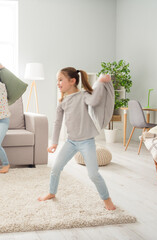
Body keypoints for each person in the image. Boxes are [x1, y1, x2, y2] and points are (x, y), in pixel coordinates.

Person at [38, 67, 116, 211]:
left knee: (93, 174)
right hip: (71, 142)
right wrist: (54, 142)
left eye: (60, 80)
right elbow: (57, 122)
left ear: (72, 81)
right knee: (55, 168)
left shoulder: (84, 96)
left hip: (87, 142)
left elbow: (95, 100)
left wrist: (99, 81)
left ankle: (107, 199)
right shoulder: (62, 102)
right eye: (57, 81)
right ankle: (51, 192)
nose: (58, 83)